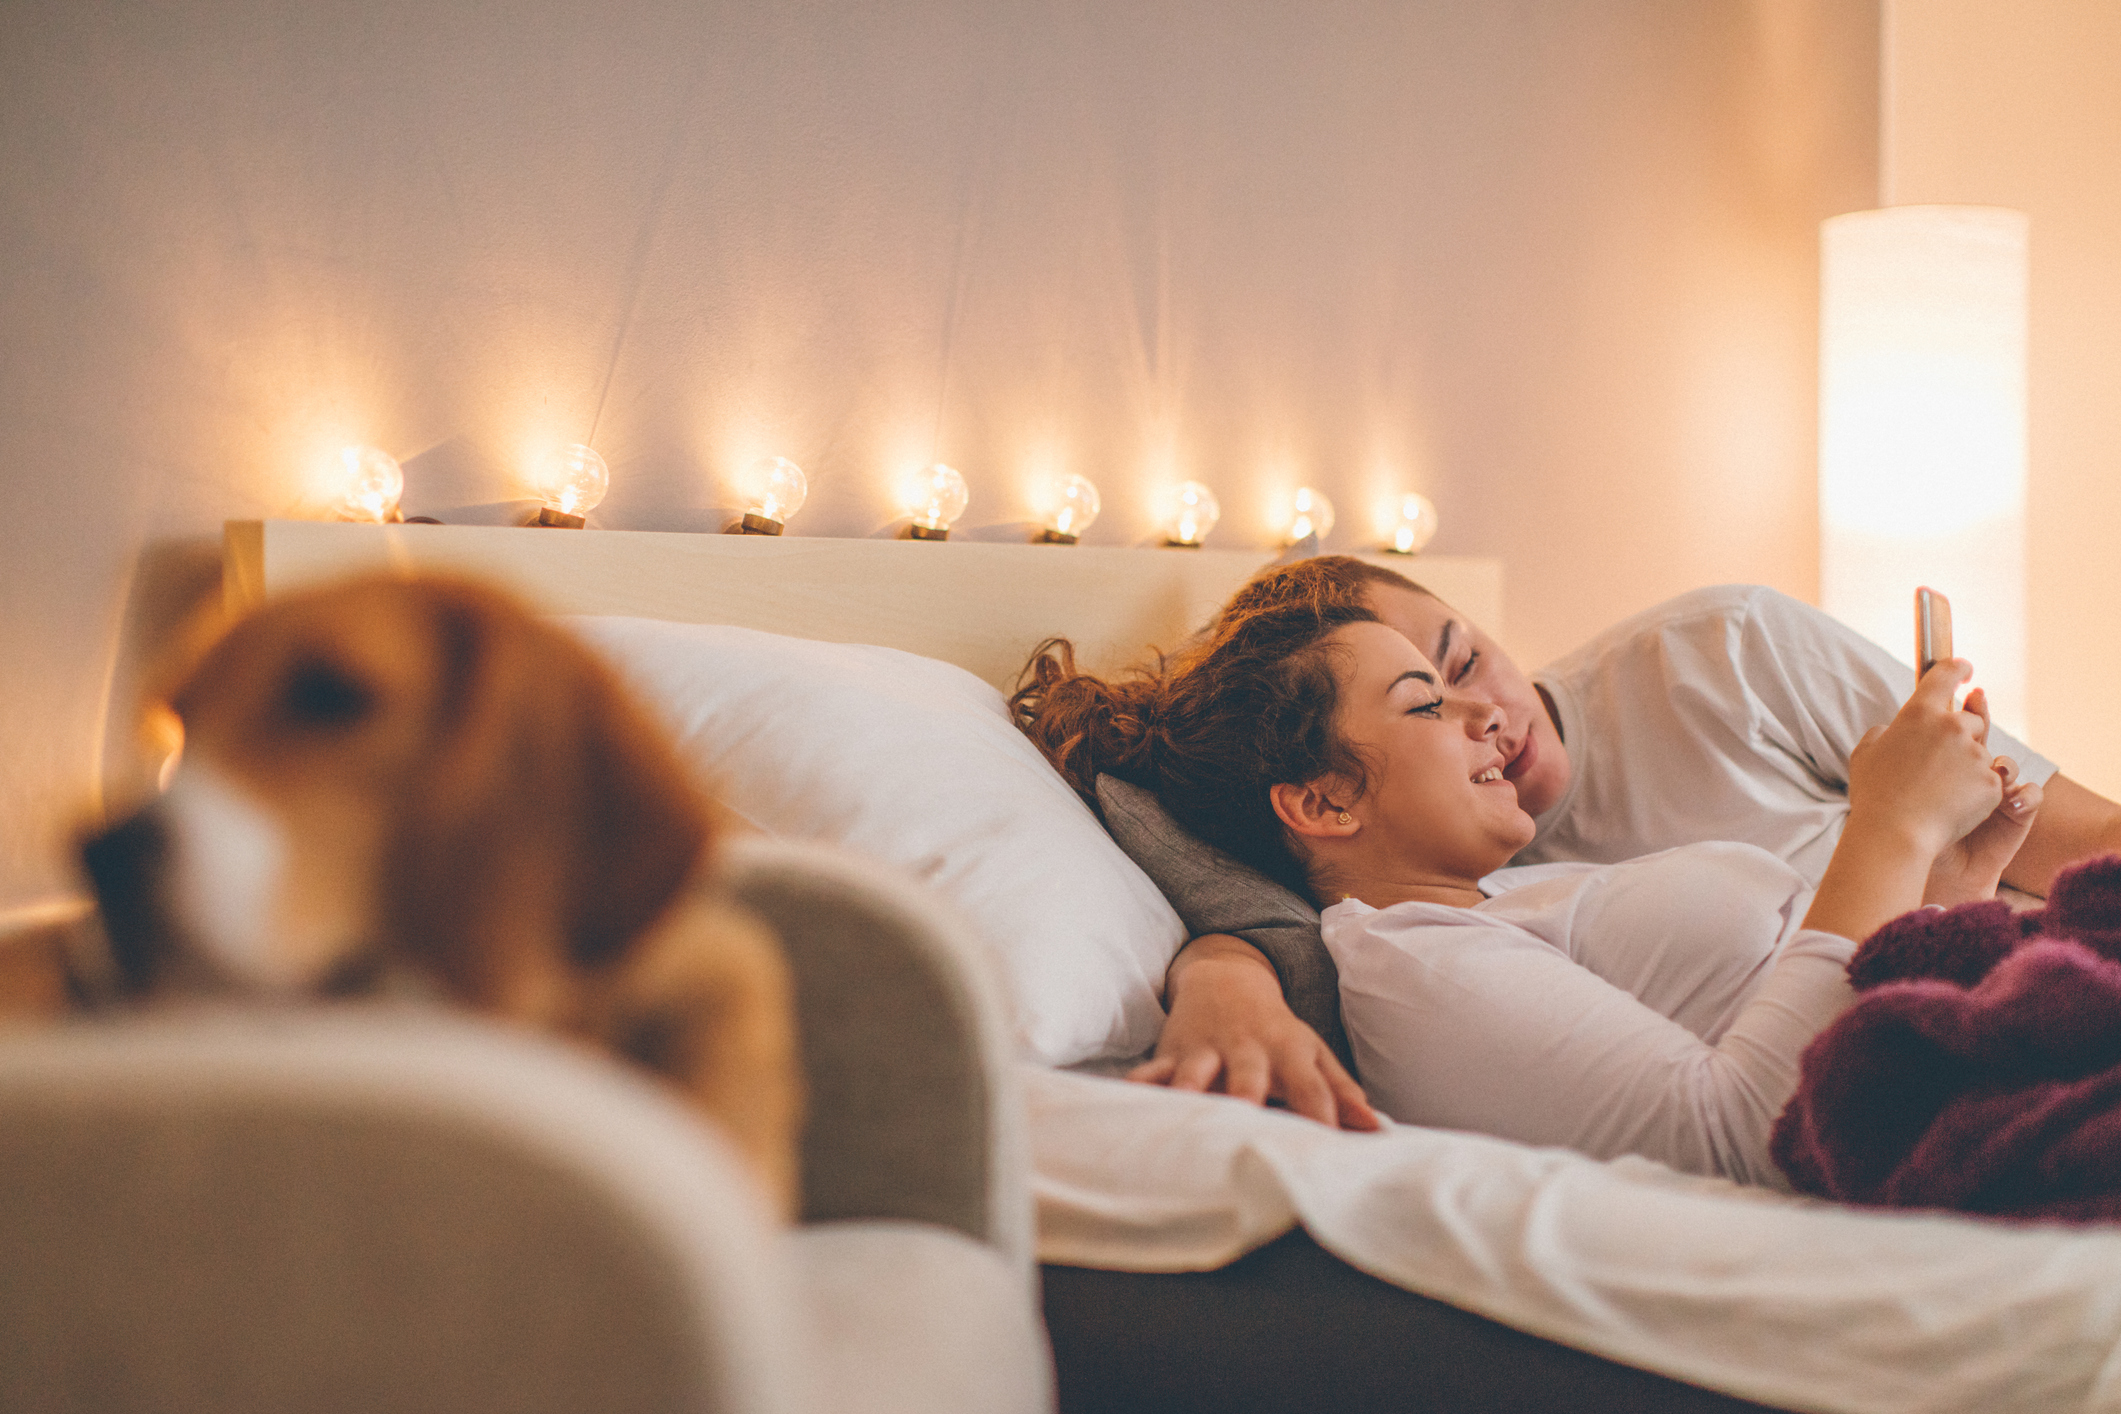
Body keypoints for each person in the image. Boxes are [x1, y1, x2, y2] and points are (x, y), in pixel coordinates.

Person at [1022, 557, 2121, 1136]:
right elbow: (1747, 1123)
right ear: (1322, 801)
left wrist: (1959, 872)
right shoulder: (1427, 945)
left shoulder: (1717, 659)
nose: (1482, 719)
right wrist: (1892, 828)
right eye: (1423, 705)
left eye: (1463, 662)